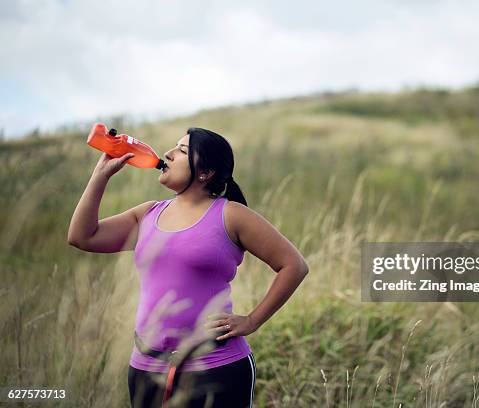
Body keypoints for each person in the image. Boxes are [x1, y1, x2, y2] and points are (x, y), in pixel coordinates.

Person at [67, 127, 309, 407]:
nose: (168, 154)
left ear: (205, 173)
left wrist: (253, 320)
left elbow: (294, 265)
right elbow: (82, 237)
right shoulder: (147, 214)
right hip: (147, 369)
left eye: (182, 150)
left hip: (217, 368)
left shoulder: (231, 214)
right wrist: (100, 176)